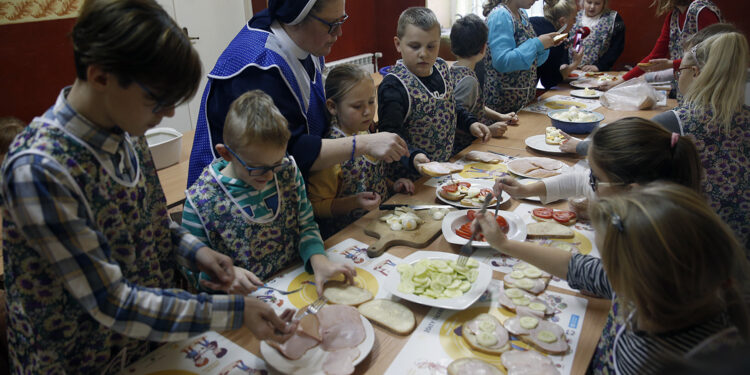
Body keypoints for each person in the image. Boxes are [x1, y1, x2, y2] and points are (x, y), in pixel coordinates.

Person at [0, 1, 298, 373]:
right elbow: (112, 302)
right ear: (100, 77)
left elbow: (150, 222)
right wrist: (234, 311)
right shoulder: (39, 170)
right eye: (156, 100)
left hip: (149, 345)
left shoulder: (127, 128)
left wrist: (196, 251)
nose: (169, 114)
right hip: (81, 361)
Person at [475, 182, 750, 374]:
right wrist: (505, 244)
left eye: (607, 261)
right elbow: (578, 267)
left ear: (632, 278)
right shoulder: (655, 287)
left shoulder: (674, 362)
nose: (602, 268)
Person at [187, 0, 409, 186]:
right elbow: (287, 151)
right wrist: (364, 144)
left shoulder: (308, 42)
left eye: (341, 21)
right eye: (331, 24)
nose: (339, 32)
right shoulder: (258, 67)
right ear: (296, 17)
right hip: (236, 197)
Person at [182, 90, 355, 293]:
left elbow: (306, 225)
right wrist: (225, 275)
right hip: (242, 304)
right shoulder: (200, 201)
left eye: (275, 163)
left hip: (293, 285)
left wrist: (319, 259)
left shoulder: (286, 170)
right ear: (226, 153)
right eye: (257, 168)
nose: (269, 175)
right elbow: (192, 272)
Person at [377, 7, 492, 179]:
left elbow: (451, 106)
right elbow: (390, 134)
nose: (423, 54)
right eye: (414, 46)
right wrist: (413, 156)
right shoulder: (393, 85)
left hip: (442, 170)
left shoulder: (441, 68)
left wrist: (470, 123)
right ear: (398, 44)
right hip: (410, 178)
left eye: (431, 46)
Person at [664, 32, 749, 252]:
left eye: (679, 71)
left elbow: (616, 155)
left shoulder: (675, 121)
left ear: (695, 72)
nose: (677, 76)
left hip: (697, 254)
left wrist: (578, 146)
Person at [307, 65, 415, 238]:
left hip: (379, 227)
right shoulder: (331, 153)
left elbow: (369, 177)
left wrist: (392, 185)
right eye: (357, 106)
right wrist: (354, 202)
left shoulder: (365, 131)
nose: (367, 112)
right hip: (349, 237)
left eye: (371, 102)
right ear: (333, 106)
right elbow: (317, 206)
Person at [495, 117, 702, 205]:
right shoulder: (635, 198)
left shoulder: (648, 246)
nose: (589, 180)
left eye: (595, 177)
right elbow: (580, 181)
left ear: (631, 189)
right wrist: (525, 190)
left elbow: (598, 277)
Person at [600, 0, 721, 91]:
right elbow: (655, 55)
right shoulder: (673, 16)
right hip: (685, 85)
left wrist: (672, 64)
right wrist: (620, 81)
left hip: (708, 88)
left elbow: (711, 55)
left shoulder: (701, 11)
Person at [449, 14, 519, 152]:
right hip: (464, 149)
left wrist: (499, 116)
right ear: (483, 48)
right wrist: (489, 130)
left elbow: (476, 105)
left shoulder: (454, 69)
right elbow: (454, 122)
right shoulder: (468, 82)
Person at [482, 0, 564, 113]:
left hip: (522, 103)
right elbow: (502, 62)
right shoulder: (501, 15)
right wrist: (537, 44)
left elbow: (531, 63)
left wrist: (544, 47)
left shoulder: (522, 14)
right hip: (502, 106)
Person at [530, 0, 584, 89]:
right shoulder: (555, 40)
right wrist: (575, 63)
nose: (574, 23)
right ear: (562, 21)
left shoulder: (532, 21)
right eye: (574, 19)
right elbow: (549, 81)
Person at [570, 0, 625, 72]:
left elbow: (617, 47)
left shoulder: (613, 18)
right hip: (572, 70)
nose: (592, 7)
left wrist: (600, 66)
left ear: (604, 3)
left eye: (597, 3)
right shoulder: (574, 16)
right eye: (589, 2)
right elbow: (565, 41)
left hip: (598, 71)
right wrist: (564, 63)